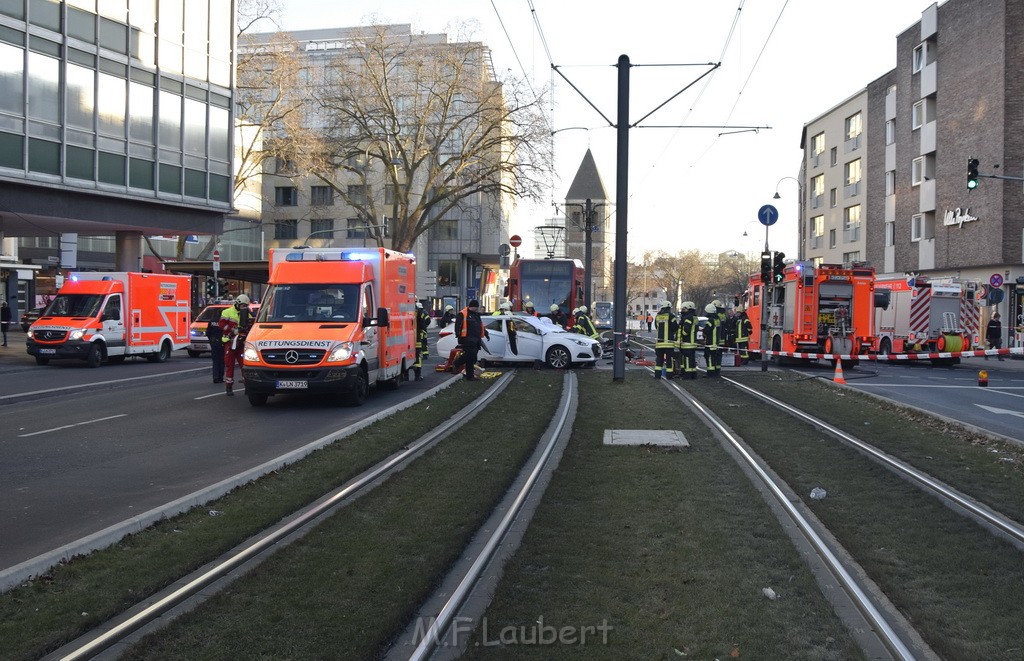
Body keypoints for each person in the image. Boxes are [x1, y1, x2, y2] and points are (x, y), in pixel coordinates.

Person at [219, 294, 253, 396]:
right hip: (230, 343)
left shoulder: (248, 314)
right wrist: (233, 330)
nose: (244, 307)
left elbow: (251, 326)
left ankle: (248, 386)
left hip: (241, 343)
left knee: (245, 365)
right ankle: (229, 387)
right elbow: (221, 325)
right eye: (242, 305)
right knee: (230, 365)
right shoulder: (227, 312)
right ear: (237, 303)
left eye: (245, 306)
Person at [452, 299, 489, 380]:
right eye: (476, 307)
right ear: (474, 306)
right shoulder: (463, 314)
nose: (477, 309)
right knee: (470, 355)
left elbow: (480, 325)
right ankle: (457, 363)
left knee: (472, 358)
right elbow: (458, 325)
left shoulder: (476, 315)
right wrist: (458, 335)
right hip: (467, 339)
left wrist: (486, 333)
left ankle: (470, 376)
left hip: (476, 340)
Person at [653, 301, 677, 379]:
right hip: (669, 343)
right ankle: (669, 376)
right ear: (669, 308)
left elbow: (657, 327)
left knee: (659, 359)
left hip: (659, 343)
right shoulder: (671, 316)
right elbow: (675, 327)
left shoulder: (658, 316)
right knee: (669, 360)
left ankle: (657, 375)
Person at [677, 301, 699, 379]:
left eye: (684, 309)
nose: (682, 310)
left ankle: (687, 375)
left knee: (687, 359)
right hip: (693, 342)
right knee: (692, 359)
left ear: (689, 308)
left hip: (687, 342)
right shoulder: (694, 317)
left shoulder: (688, 318)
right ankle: (693, 374)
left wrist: (681, 333)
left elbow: (686, 330)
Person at [412, 301, 431, 380]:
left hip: (406, 339)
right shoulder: (420, 313)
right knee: (417, 356)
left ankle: (405, 375)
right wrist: (423, 329)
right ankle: (417, 375)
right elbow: (423, 324)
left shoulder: (406, 312)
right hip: (417, 338)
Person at [206, 306, 225, 383]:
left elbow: (208, 333)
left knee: (215, 361)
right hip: (222, 342)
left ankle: (215, 377)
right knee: (222, 361)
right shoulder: (223, 321)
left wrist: (211, 341)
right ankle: (220, 377)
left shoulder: (212, 320)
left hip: (214, 342)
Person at [703, 303, 721, 376]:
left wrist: (703, 332)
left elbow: (706, 331)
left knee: (709, 357)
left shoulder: (710, 320)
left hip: (710, 342)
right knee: (715, 358)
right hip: (716, 342)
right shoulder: (717, 319)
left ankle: (710, 373)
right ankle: (716, 372)